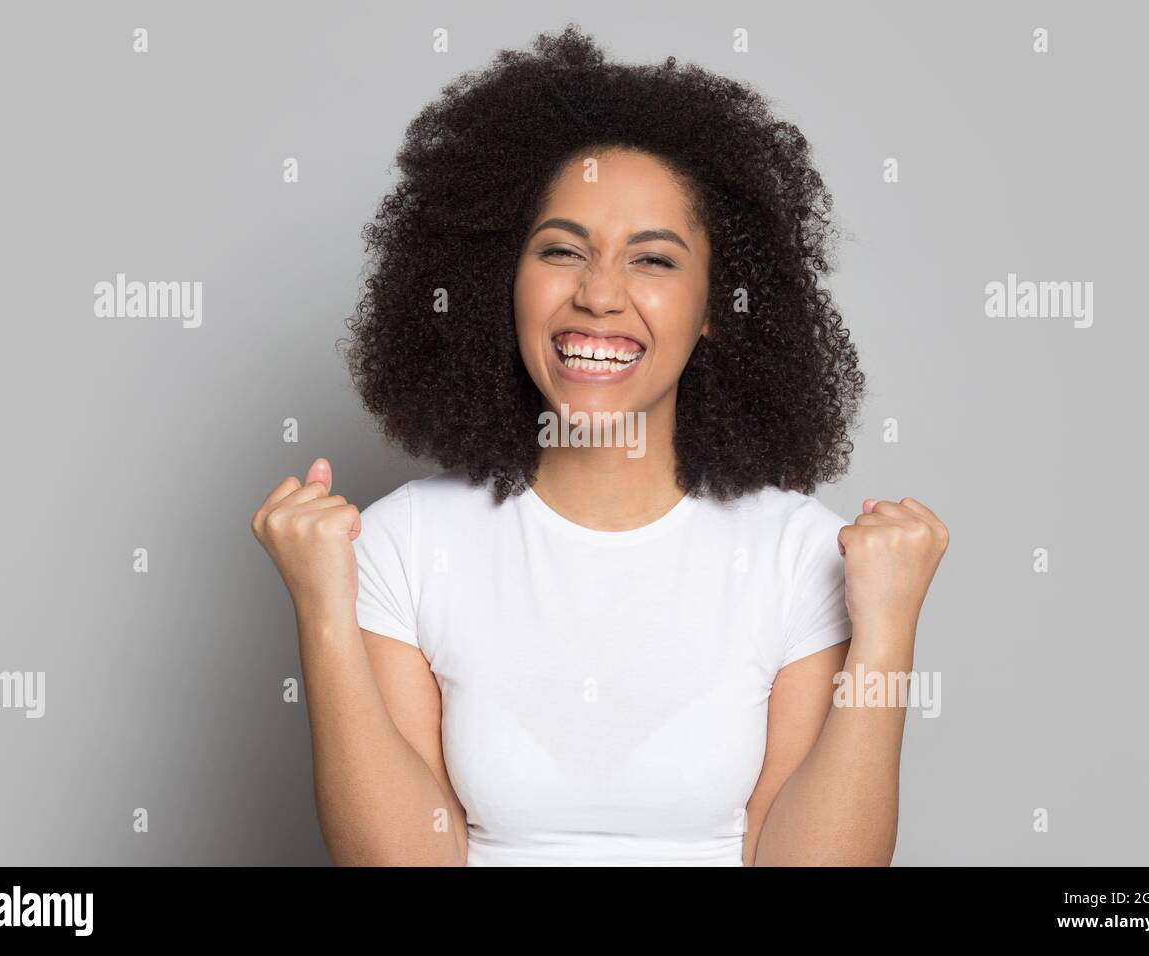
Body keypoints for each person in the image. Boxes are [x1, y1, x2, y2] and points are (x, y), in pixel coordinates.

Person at [251, 25, 948, 866]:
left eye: (652, 260)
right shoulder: (403, 544)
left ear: (719, 309)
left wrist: (888, 636)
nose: (599, 294)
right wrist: (324, 609)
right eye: (561, 251)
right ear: (495, 285)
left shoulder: (800, 555)